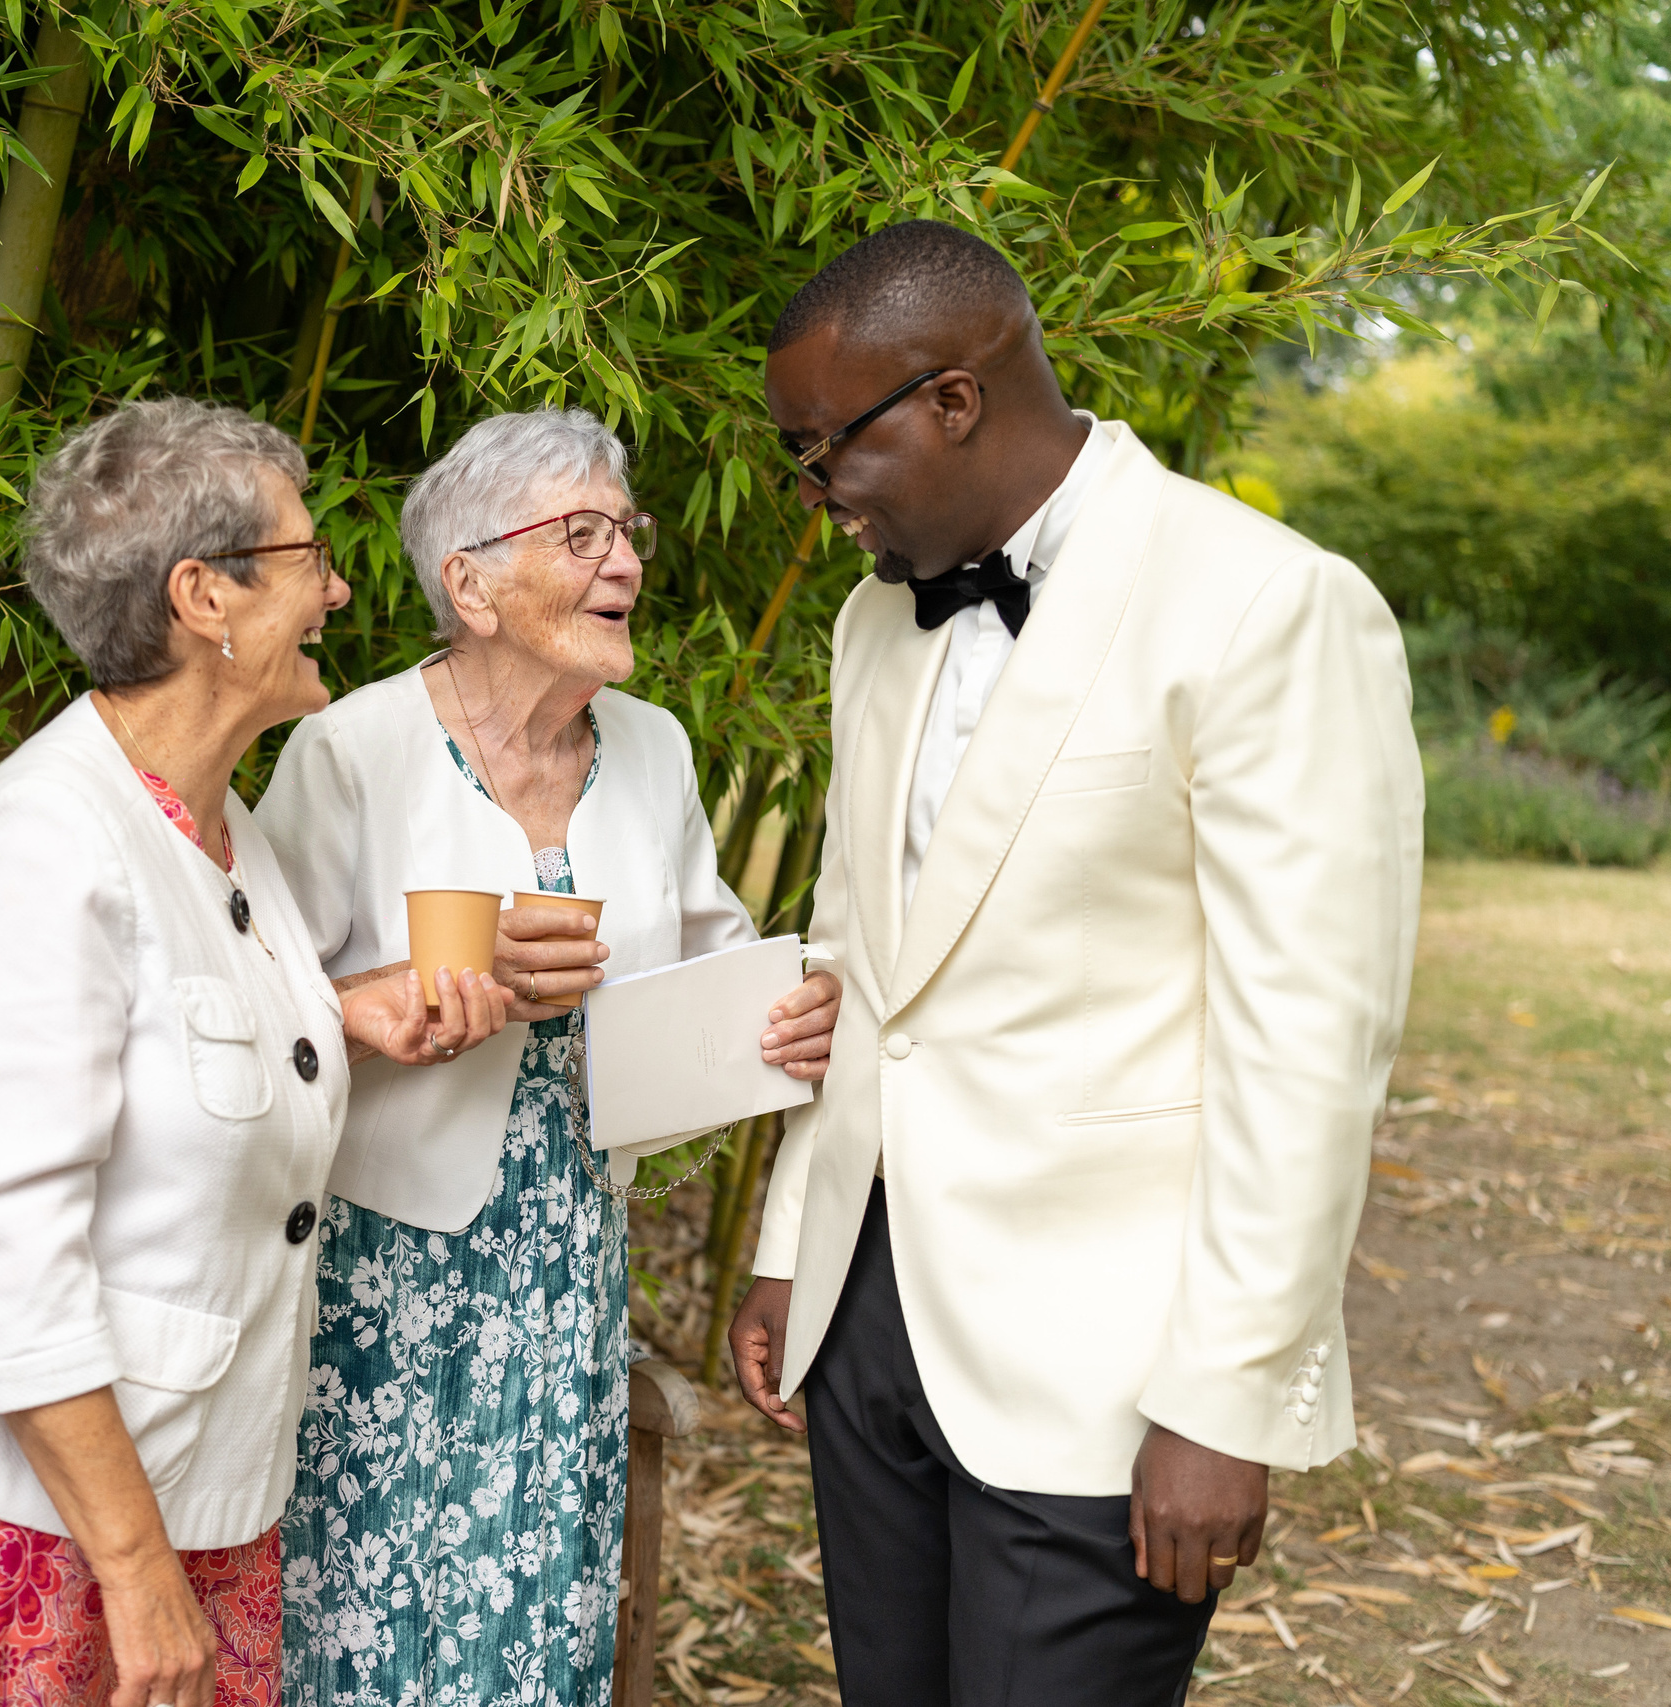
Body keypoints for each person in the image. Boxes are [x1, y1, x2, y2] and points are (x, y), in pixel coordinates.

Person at [728, 219, 1424, 1703]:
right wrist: (799, 1239)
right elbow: (859, 962)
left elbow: (1304, 1050)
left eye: (824, 451)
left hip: (1107, 1374)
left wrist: (1224, 1399)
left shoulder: (1263, 605)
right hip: (871, 1336)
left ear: (953, 402)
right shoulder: (874, 622)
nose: (813, 500)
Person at [0, 398, 511, 1707]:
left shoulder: (227, 833)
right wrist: (134, 1561)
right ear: (203, 599)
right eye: (307, 559)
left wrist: (338, 1010)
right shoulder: (39, 847)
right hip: (13, 1529)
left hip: (188, 1501)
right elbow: (3, 1250)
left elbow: (170, 1032)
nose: (341, 589)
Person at [254, 408, 841, 1706]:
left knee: (533, 1601)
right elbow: (257, 999)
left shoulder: (656, 748)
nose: (624, 561)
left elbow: (717, 955)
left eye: (624, 532)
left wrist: (789, 1015)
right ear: (468, 583)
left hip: (570, 1249)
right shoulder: (352, 750)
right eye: (580, 535)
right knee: (368, 1605)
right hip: (380, 1265)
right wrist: (390, 993)